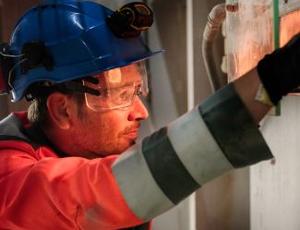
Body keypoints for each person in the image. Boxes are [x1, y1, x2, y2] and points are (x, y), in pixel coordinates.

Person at [0, 0, 299, 229]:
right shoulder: (12, 186)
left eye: (137, 91)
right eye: (122, 96)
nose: (140, 112)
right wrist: (273, 78)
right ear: (62, 109)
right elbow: (114, 186)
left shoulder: (61, 150)